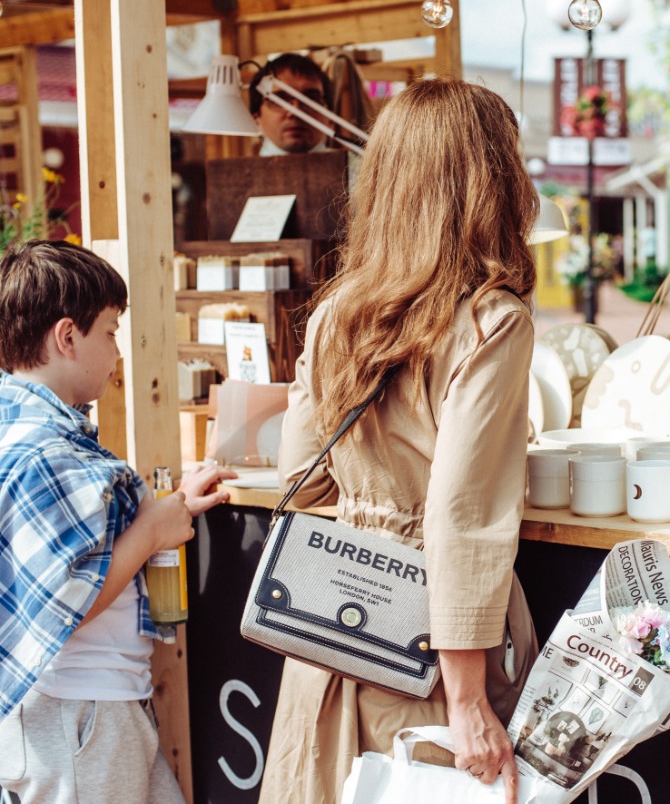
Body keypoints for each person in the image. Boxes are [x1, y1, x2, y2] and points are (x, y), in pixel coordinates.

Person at [259, 78, 539, 804]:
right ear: (491, 180)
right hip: (429, 650)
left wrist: (373, 490)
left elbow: (300, 470)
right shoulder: (491, 321)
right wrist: (469, 699)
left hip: (333, 639)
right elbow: (462, 517)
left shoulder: (336, 314)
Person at [0, 239, 235, 802]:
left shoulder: (25, 431)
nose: (117, 353)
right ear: (66, 336)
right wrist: (153, 530)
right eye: (109, 332)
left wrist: (167, 507)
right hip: (79, 713)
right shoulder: (47, 451)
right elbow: (69, 597)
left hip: (82, 710)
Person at [248, 53, 334, 156]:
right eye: (279, 100)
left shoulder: (354, 170)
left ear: (330, 119)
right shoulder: (239, 171)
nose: (295, 111)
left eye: (311, 99)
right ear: (256, 119)